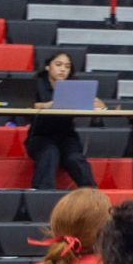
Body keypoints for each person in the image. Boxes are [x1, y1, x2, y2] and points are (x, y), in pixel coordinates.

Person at [27, 51, 103, 190]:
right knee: (49, 153)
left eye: (67, 66)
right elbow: (24, 105)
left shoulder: (75, 85)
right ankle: (42, 198)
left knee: (75, 158)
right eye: (58, 64)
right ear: (48, 67)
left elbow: (94, 105)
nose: (63, 69)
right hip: (40, 136)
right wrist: (45, 105)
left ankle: (92, 196)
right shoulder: (36, 83)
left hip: (67, 137)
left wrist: (99, 105)